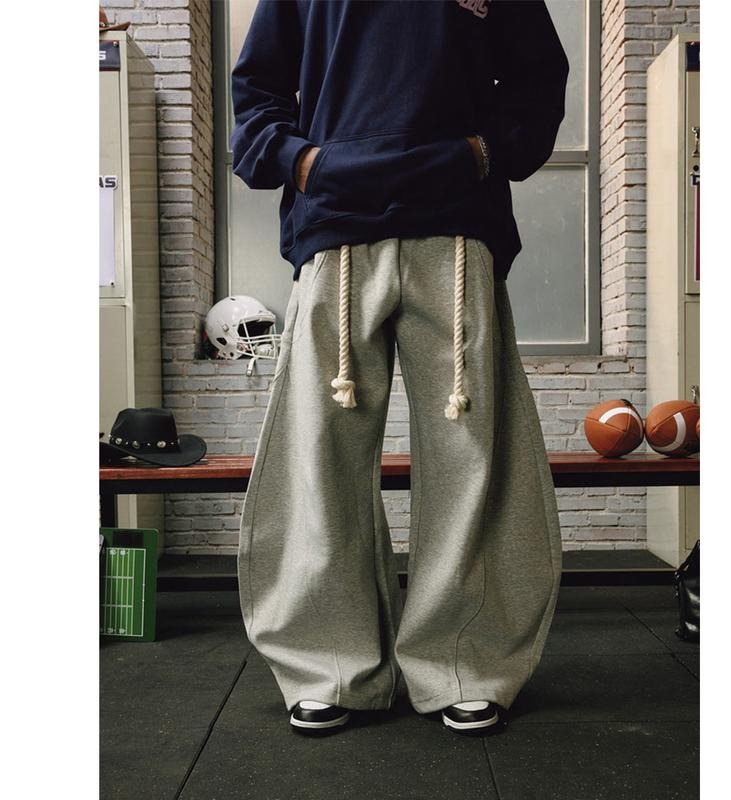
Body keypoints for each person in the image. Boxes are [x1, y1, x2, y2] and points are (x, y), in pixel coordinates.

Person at [231, 0, 569, 735]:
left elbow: (539, 78)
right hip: (336, 227)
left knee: (472, 454)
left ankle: (465, 661)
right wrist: (304, 162)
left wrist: (484, 153)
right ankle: (329, 665)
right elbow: (256, 90)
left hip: (456, 226)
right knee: (320, 453)